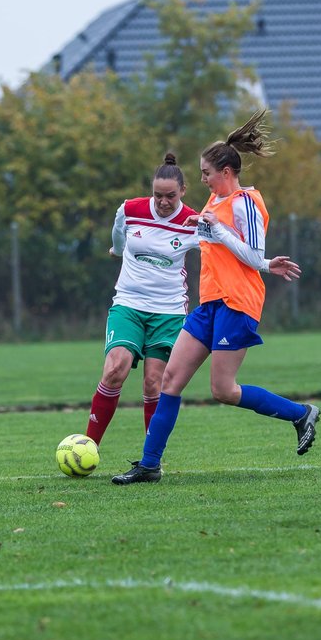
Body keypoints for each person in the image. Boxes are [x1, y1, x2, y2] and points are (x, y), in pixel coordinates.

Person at [112, 109, 320, 485]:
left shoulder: (246, 202)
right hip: (210, 303)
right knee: (170, 380)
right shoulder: (213, 204)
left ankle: (299, 413)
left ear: (226, 172)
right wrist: (216, 234)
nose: (202, 178)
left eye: (206, 172)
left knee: (223, 389)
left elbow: (250, 254)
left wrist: (225, 236)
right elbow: (240, 253)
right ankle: (149, 465)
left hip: (237, 303)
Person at [83, 153, 200, 446]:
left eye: (170, 196)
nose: (163, 202)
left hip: (169, 311)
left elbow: (225, 247)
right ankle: (87, 447)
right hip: (129, 304)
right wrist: (118, 250)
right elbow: (118, 234)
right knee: (114, 370)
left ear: (183, 191)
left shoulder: (193, 221)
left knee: (153, 383)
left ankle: (150, 459)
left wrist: (262, 263)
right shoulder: (130, 209)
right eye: (158, 195)